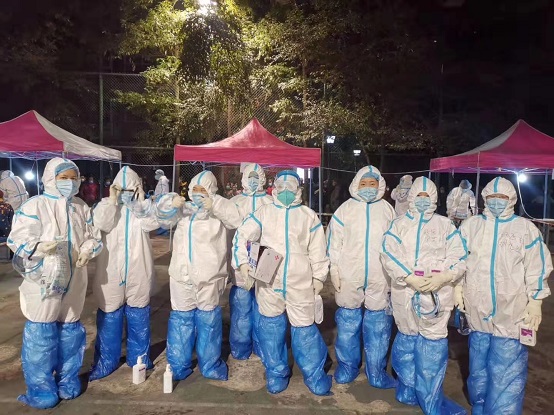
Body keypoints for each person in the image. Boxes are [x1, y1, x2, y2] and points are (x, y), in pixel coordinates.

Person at [7, 158, 102, 409]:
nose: (69, 182)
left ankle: (67, 380)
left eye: (73, 178)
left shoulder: (80, 207)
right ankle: (41, 389)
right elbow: (17, 239)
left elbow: (93, 236)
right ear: (50, 178)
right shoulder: (35, 205)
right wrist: (39, 247)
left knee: (70, 331)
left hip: (75, 278)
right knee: (41, 333)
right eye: (63, 178)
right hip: (44, 281)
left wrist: (87, 250)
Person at [458, 177, 552, 414]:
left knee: (506, 368)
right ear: (485, 198)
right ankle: (480, 405)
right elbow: (457, 260)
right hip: (477, 308)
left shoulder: (524, 229)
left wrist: (535, 300)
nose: (497, 202)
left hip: (511, 310)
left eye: (502, 198)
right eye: (492, 197)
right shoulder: (471, 226)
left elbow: (537, 266)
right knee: (478, 365)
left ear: (511, 199)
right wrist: (457, 288)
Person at [233, 170, 331, 396]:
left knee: (304, 328)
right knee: (271, 329)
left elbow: (318, 249)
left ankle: (314, 374)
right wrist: (243, 262)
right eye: (281, 186)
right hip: (269, 281)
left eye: (291, 187)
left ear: (298, 189)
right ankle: (276, 372)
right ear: (274, 188)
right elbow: (242, 235)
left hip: (300, 282)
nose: (286, 191)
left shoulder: (308, 216)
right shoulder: (264, 212)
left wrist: (318, 277)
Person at [381, 176, 467, 415]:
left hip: (436, 293)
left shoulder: (445, 225)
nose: (422, 201)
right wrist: (408, 277)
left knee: (432, 345)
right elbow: (388, 252)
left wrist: (444, 277)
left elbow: (459, 255)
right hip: (405, 291)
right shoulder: (399, 225)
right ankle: (407, 390)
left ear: (434, 198)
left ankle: (430, 400)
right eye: (418, 196)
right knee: (407, 339)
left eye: (426, 197)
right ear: (410, 197)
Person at [158, 170, 240, 381]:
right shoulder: (185, 210)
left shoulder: (218, 210)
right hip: (181, 275)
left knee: (208, 321)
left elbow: (237, 220)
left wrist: (216, 205)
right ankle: (178, 364)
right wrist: (170, 204)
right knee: (181, 320)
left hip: (209, 276)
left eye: (203, 190)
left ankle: (210, 365)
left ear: (211, 191)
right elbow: (161, 219)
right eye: (194, 190)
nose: (198, 194)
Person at [326, 166, 396, 388]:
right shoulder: (345, 210)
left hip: (380, 275)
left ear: (380, 185)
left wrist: (394, 274)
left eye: (372, 184)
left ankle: (376, 370)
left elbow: (395, 244)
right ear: (356, 184)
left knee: (379, 325)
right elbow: (334, 242)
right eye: (363, 184)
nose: (368, 188)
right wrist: (334, 269)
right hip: (350, 274)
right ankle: (348, 366)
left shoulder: (387, 210)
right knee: (348, 322)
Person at [89, 166, 160, 381]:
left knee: (139, 313)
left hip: (139, 269)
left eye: (131, 189)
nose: (126, 194)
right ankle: (106, 361)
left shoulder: (144, 208)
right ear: (114, 189)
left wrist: (140, 204)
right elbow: (101, 224)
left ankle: (139, 358)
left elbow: (153, 223)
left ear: (137, 189)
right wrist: (112, 201)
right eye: (122, 190)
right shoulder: (105, 206)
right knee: (110, 314)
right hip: (110, 270)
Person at [229, 163, 273, 360]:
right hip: (242, 263)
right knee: (242, 308)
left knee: (265, 307)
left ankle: (262, 346)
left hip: (266, 261)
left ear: (262, 178)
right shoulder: (235, 202)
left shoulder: (271, 202)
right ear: (244, 179)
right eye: (250, 177)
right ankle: (240, 347)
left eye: (257, 177)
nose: (253, 181)